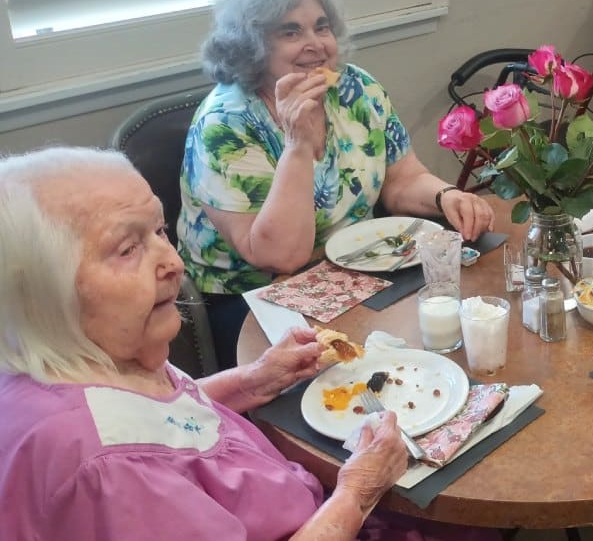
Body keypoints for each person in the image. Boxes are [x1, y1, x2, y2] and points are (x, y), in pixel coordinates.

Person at [0, 147, 497, 541]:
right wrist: (357, 493)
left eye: (159, 230)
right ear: (40, 292)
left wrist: (253, 379)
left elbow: (160, 424)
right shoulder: (103, 472)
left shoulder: (72, 358)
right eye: (128, 248)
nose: (173, 262)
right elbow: (131, 449)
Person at [179, 0, 495, 369]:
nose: (314, 43)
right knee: (361, 376)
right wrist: (297, 142)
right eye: (290, 32)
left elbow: (402, 179)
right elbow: (281, 257)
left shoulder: (355, 88)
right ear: (251, 46)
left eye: (321, 27)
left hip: (357, 271)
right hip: (252, 303)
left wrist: (445, 195)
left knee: (442, 338)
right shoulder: (225, 124)